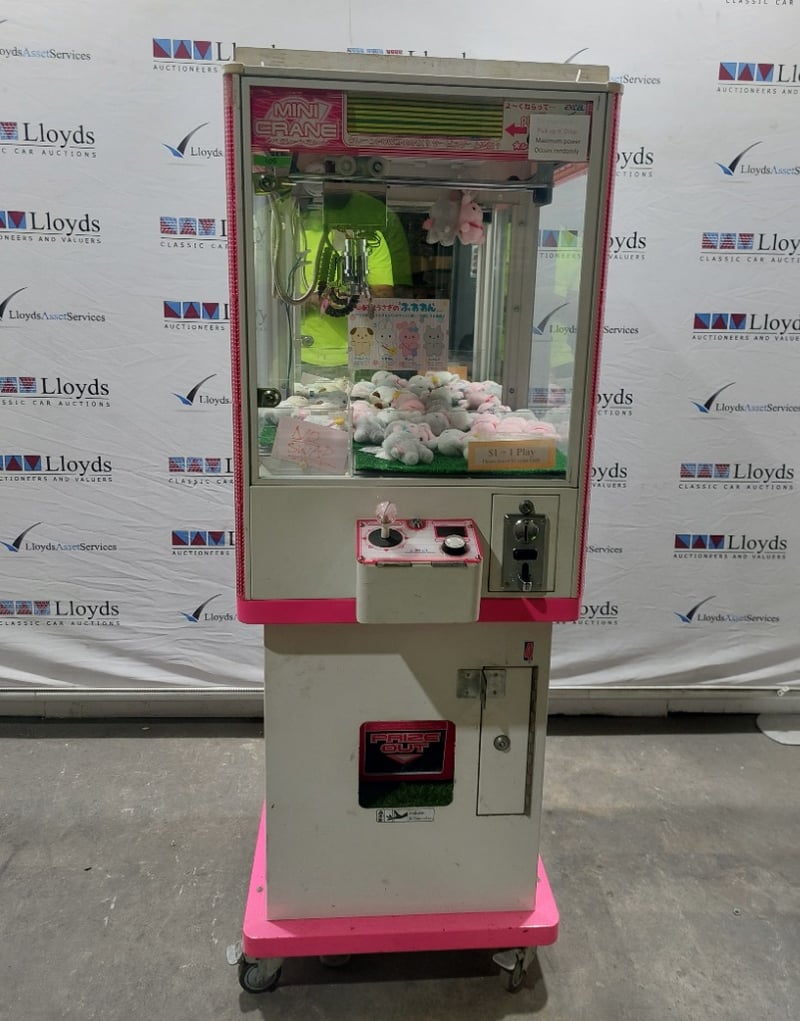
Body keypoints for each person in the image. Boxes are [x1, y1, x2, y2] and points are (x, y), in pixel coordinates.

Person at [299, 191, 412, 374]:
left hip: (361, 356)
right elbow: (271, 296)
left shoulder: (372, 233)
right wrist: (317, 299)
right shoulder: (293, 226)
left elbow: (385, 298)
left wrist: (354, 298)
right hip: (297, 353)